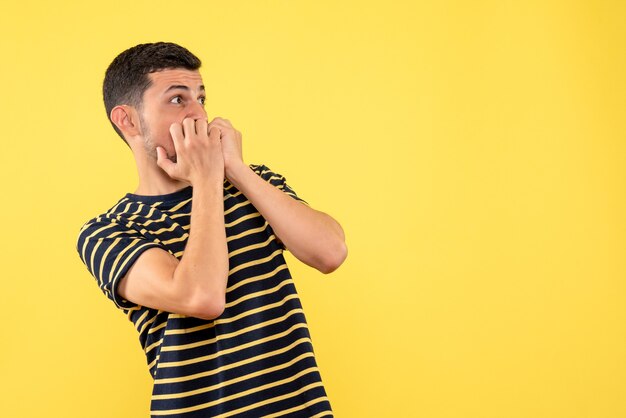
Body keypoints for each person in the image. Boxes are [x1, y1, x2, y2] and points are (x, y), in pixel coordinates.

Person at [76, 42, 347, 417]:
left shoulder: (254, 185)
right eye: (177, 100)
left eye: (201, 97)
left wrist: (235, 170)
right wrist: (206, 179)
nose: (199, 113)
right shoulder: (108, 232)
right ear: (128, 120)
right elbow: (202, 297)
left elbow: (330, 252)